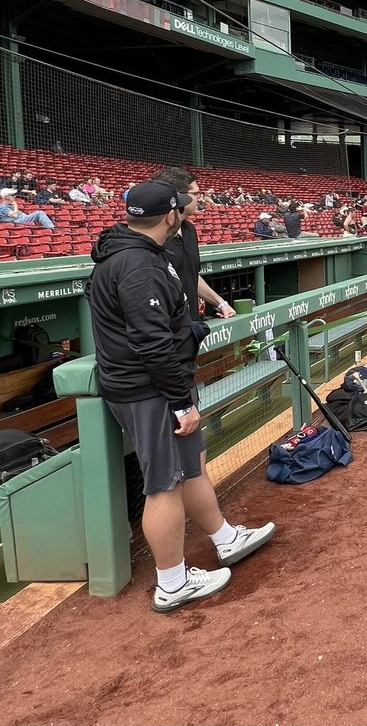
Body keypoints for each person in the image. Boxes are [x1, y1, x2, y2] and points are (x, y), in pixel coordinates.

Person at [87, 181, 274, 613]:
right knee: (164, 484)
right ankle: (171, 582)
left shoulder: (139, 254)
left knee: (190, 468)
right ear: (171, 215)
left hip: (157, 385)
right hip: (148, 390)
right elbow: (151, 344)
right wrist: (181, 402)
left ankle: (225, 539)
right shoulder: (137, 265)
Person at [151, 168, 237, 322]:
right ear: (178, 197)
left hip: (191, 326)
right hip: (166, 330)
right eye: (196, 194)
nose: (201, 198)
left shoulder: (189, 229)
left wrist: (220, 303)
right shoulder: (155, 235)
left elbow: (190, 276)